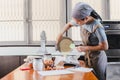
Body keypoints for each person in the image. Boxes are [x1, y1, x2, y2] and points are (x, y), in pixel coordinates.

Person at [56, 2, 108, 80]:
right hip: (87, 57)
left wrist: (85, 48)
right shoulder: (81, 19)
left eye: (78, 22)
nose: (76, 24)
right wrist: (60, 34)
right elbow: (69, 24)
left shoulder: (97, 26)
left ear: (86, 18)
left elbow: (105, 46)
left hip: (97, 60)